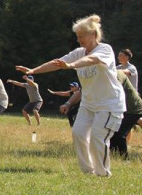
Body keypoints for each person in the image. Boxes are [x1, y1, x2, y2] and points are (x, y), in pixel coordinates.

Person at [16, 14, 125, 177]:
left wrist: (71, 65)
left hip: (109, 103)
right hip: (89, 103)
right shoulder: (78, 52)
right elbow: (57, 63)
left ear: (93, 35)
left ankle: (103, 175)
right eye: (77, 36)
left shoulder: (105, 50)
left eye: (82, 36)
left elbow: (92, 60)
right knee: (78, 133)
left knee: (97, 137)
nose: (78, 39)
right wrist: (34, 70)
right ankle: (88, 172)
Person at [109, 70, 142, 159]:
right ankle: (114, 157)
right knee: (112, 132)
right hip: (121, 109)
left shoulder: (118, 73)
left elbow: (116, 87)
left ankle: (124, 158)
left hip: (133, 109)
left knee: (119, 134)